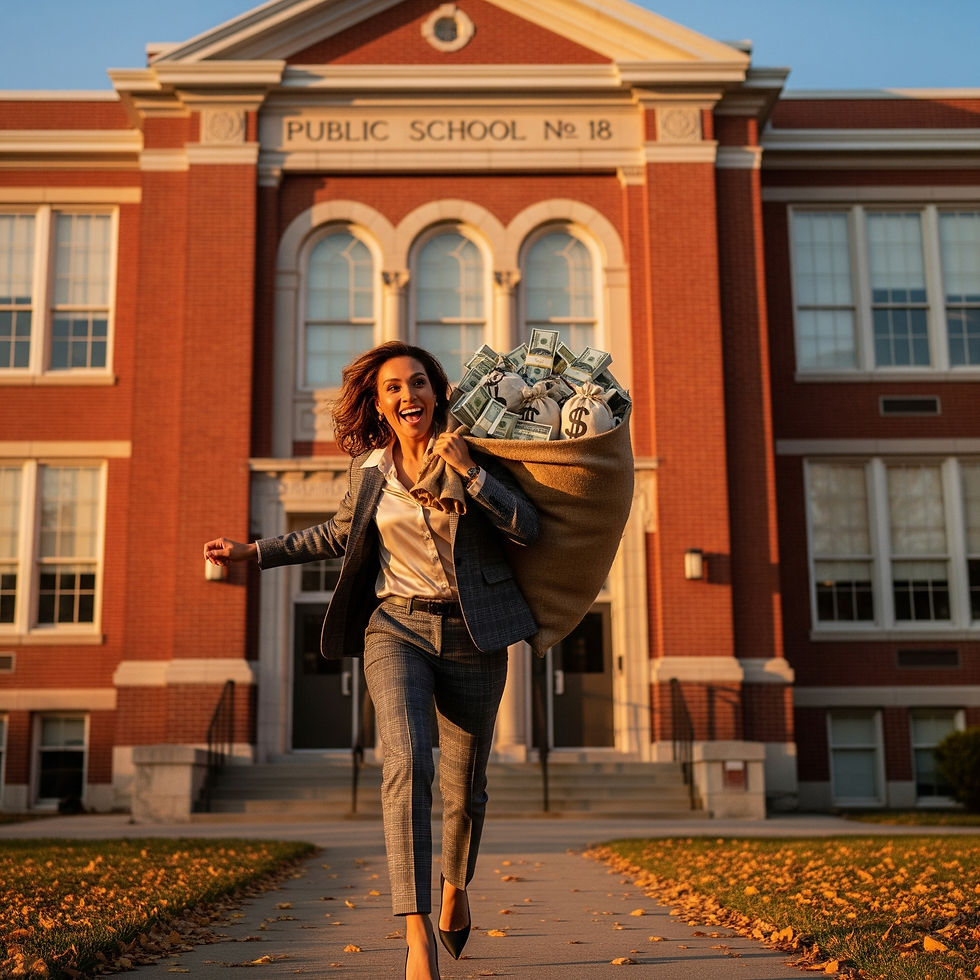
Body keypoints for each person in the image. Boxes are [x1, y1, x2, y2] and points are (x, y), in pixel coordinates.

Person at [204, 341, 538, 980]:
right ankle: (415, 938)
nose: (407, 395)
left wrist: (470, 472)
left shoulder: (476, 451)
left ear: (437, 392)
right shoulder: (371, 471)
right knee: (406, 763)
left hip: (474, 634)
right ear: (378, 403)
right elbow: (333, 534)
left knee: (464, 789)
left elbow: (528, 527)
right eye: (393, 388)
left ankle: (455, 884)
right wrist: (252, 551)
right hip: (395, 628)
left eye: (417, 383)